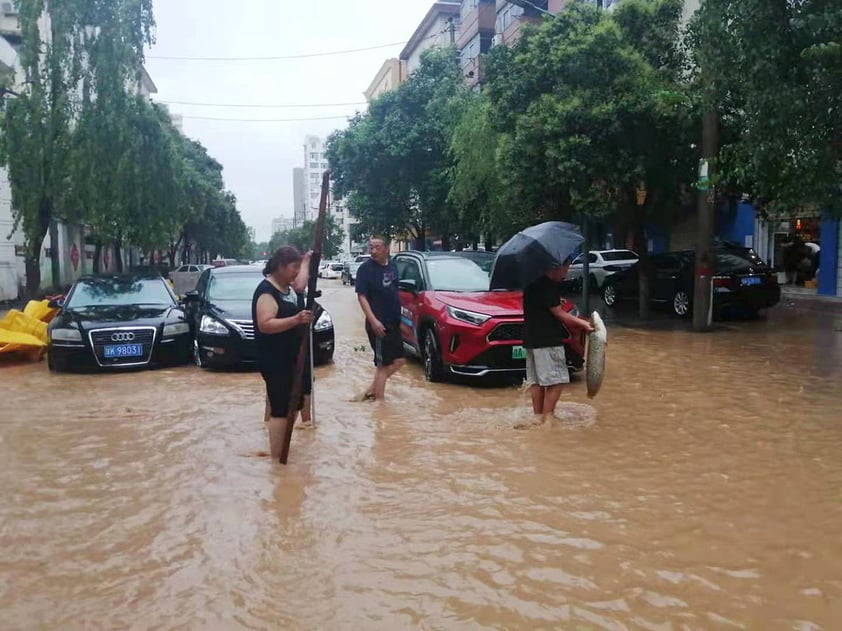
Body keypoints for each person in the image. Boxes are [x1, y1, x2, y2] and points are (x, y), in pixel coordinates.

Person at [252, 246, 313, 462]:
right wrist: (296, 320)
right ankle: (277, 461)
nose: (296, 273)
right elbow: (265, 324)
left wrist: (305, 262)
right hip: (275, 359)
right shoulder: (267, 291)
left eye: (298, 268)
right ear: (280, 267)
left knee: (294, 403)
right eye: (293, 268)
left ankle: (284, 445)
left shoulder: (288, 288)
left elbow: (300, 284)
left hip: (293, 357)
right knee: (279, 407)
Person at [522, 259, 595, 426]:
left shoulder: (532, 283)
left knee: (537, 381)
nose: (566, 272)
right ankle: (548, 418)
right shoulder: (549, 286)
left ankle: (537, 417)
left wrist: (556, 302)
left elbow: (541, 305)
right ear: (556, 267)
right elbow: (560, 314)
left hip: (531, 340)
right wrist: (584, 324)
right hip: (548, 340)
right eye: (566, 268)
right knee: (558, 380)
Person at [355, 236, 406, 401]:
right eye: (371, 247)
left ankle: (371, 391)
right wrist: (373, 321)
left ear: (387, 249)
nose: (373, 251)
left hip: (394, 322)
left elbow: (394, 292)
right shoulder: (365, 269)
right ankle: (380, 406)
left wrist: (402, 320)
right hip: (378, 324)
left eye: (377, 247)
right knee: (382, 366)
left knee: (399, 361)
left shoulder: (392, 266)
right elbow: (361, 297)